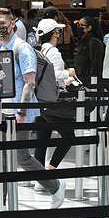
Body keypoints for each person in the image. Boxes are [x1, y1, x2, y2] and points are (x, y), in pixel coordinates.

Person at [0, 7, 66, 209]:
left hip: (19, 112)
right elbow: (4, 76)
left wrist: (22, 112)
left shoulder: (22, 48)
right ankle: (1, 202)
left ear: (12, 24)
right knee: (4, 158)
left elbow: (29, 81)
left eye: (3, 24)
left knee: (20, 156)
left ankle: (56, 186)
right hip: (4, 110)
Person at [33, 19, 76, 191]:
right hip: (51, 100)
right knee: (68, 136)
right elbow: (56, 74)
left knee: (42, 139)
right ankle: (50, 172)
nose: (59, 35)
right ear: (54, 34)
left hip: (39, 100)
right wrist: (68, 73)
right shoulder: (54, 52)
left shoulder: (38, 50)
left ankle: (40, 179)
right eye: (57, 32)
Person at [74, 16, 104, 83]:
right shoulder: (81, 41)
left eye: (82, 25)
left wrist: (93, 79)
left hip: (88, 79)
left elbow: (96, 63)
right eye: (78, 24)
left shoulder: (94, 41)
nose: (79, 27)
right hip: (81, 77)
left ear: (89, 28)